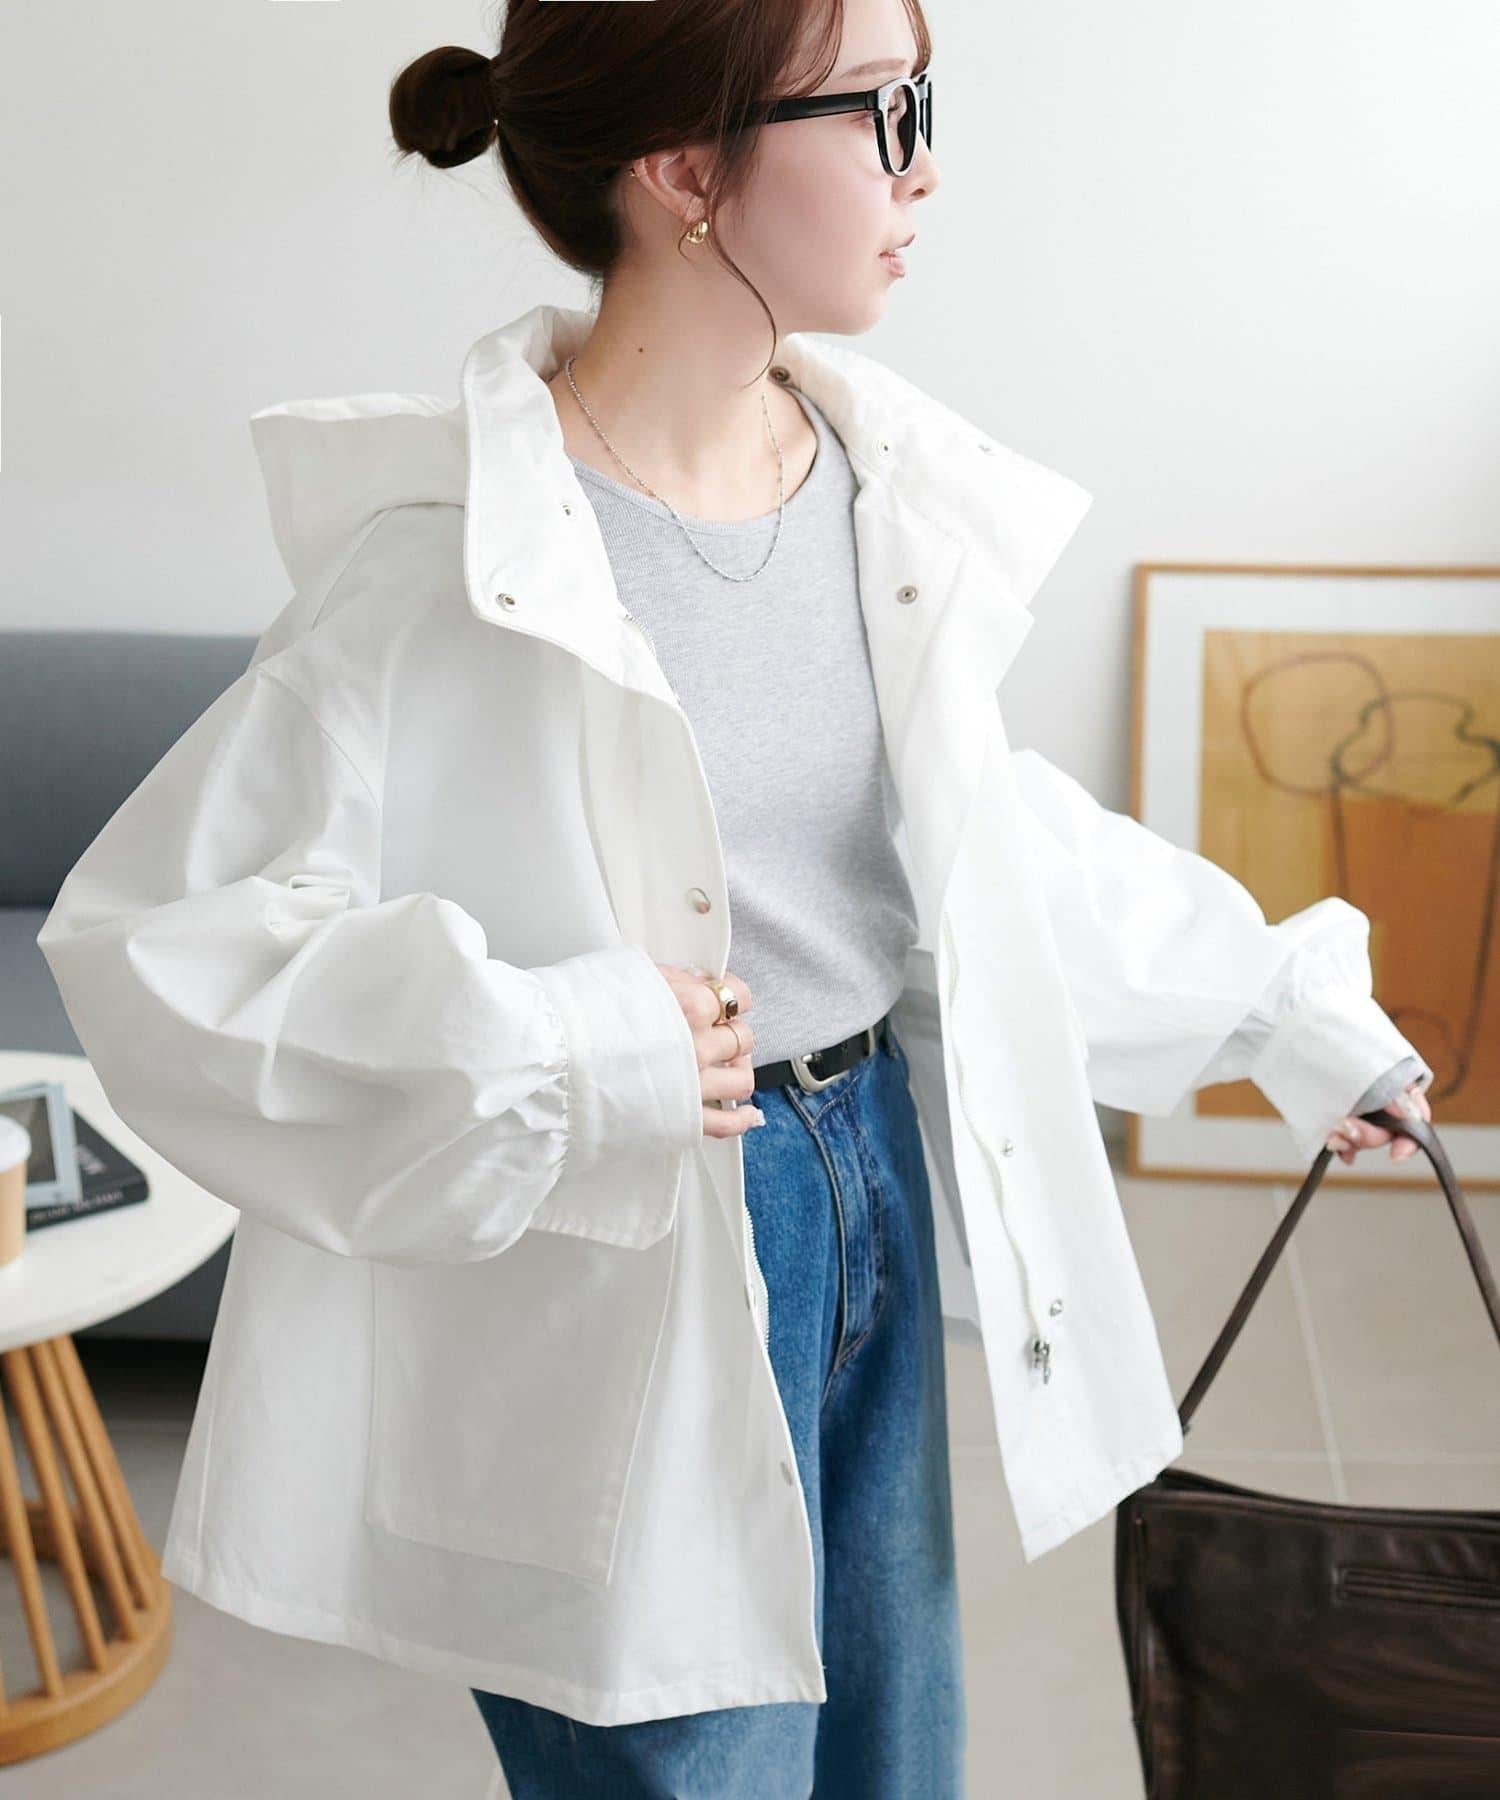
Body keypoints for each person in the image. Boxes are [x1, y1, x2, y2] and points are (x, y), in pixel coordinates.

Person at [37, 0, 1433, 1793]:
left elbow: (973, 836)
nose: (926, 168)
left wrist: (1280, 1012)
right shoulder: (451, 561)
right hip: (642, 1245)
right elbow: (162, 942)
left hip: (869, 1179)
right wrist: (569, 1046)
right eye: (881, 111)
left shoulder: (869, 489)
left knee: (892, 1758)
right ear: (687, 168)